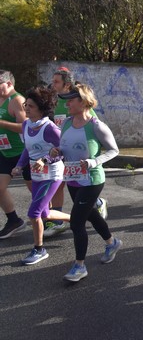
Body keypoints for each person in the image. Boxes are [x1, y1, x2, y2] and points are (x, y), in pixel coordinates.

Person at [52, 83, 122, 282]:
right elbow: (62, 147)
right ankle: (112, 242)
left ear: (83, 102)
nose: (67, 105)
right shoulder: (65, 123)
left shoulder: (96, 125)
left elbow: (113, 150)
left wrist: (94, 161)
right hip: (73, 179)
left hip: (91, 180)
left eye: (71, 101)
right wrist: (55, 152)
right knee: (90, 213)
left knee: (76, 222)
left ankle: (79, 266)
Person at [12, 87, 71, 264]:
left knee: (34, 213)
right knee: (44, 213)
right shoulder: (26, 124)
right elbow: (27, 149)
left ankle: (39, 249)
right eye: (25, 105)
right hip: (37, 175)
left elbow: (63, 151)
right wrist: (19, 165)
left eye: (30, 106)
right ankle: (79, 218)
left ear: (41, 108)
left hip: (52, 175)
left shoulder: (50, 128)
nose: (26, 108)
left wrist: (45, 160)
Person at [47, 67, 105, 237]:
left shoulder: (79, 100)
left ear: (66, 84)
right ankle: (57, 221)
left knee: (74, 189)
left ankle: (98, 202)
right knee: (58, 185)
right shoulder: (56, 101)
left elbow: (94, 125)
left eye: (56, 81)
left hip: (79, 155)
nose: (53, 84)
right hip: (61, 150)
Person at [0, 70, 29, 239]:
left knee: (36, 191)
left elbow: (25, 126)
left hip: (22, 153)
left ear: (9, 84)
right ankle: (14, 220)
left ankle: (50, 219)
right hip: (4, 152)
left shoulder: (17, 100)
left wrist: (2, 123)